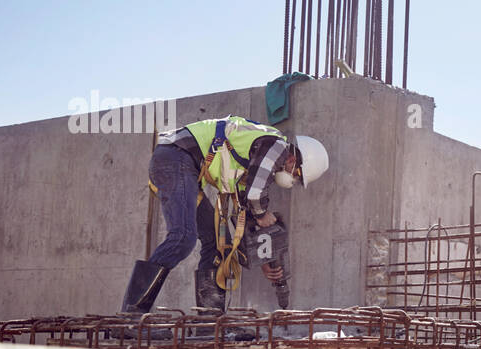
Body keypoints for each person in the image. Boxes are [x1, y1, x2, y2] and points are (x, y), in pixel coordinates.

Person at [119, 116, 328, 314]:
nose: (294, 180)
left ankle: (209, 321)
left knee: (219, 244)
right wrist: (263, 214)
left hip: (185, 168)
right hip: (175, 156)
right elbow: (255, 197)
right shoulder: (277, 146)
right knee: (183, 237)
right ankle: (133, 312)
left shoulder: (254, 165)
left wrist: (262, 257)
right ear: (293, 158)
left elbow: (246, 213)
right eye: (297, 174)